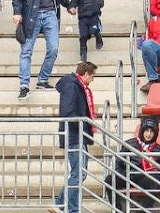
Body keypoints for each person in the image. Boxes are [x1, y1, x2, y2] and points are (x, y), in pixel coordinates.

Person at [13, 0, 69, 97]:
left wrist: (68, 5)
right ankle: (24, 85)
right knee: (26, 50)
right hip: (32, 14)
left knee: (53, 48)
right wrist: (17, 12)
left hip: (51, 12)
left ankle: (42, 80)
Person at [56, 61, 98, 213]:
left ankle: (60, 204)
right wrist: (83, 123)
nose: (92, 80)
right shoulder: (72, 85)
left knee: (79, 172)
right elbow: (69, 112)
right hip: (74, 135)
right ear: (86, 74)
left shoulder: (75, 85)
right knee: (78, 173)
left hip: (78, 135)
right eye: (92, 76)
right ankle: (70, 208)